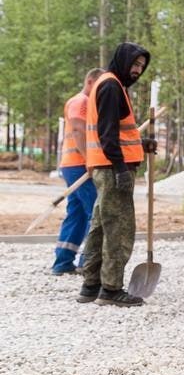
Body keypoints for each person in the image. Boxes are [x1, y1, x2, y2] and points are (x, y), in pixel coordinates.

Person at [77, 42, 155, 307]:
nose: (137, 71)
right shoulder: (111, 86)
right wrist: (121, 168)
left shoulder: (109, 84)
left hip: (105, 166)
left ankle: (91, 285)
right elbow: (107, 134)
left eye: (141, 67)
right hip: (113, 169)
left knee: (100, 226)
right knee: (118, 228)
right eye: (134, 64)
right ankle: (111, 289)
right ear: (122, 60)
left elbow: (118, 133)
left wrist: (142, 145)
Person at [51, 69, 106, 275]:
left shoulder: (86, 103)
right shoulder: (80, 102)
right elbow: (77, 130)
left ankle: (63, 262)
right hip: (79, 164)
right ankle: (88, 263)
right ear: (90, 82)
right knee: (96, 212)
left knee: (78, 214)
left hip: (73, 164)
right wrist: (89, 159)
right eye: (99, 86)